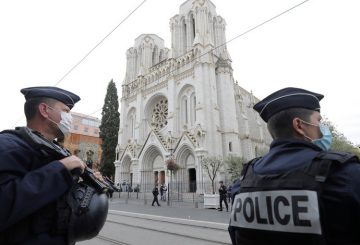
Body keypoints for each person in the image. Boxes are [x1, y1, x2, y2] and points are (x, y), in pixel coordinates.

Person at [228, 87, 360, 245]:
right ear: (299, 125)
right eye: (318, 120)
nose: (322, 127)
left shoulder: (241, 185)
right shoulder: (347, 176)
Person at [0, 86, 105, 244]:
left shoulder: (57, 152)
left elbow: (57, 204)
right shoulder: (8, 146)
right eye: (66, 111)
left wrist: (86, 185)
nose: (70, 118)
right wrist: (60, 169)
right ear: (44, 110)